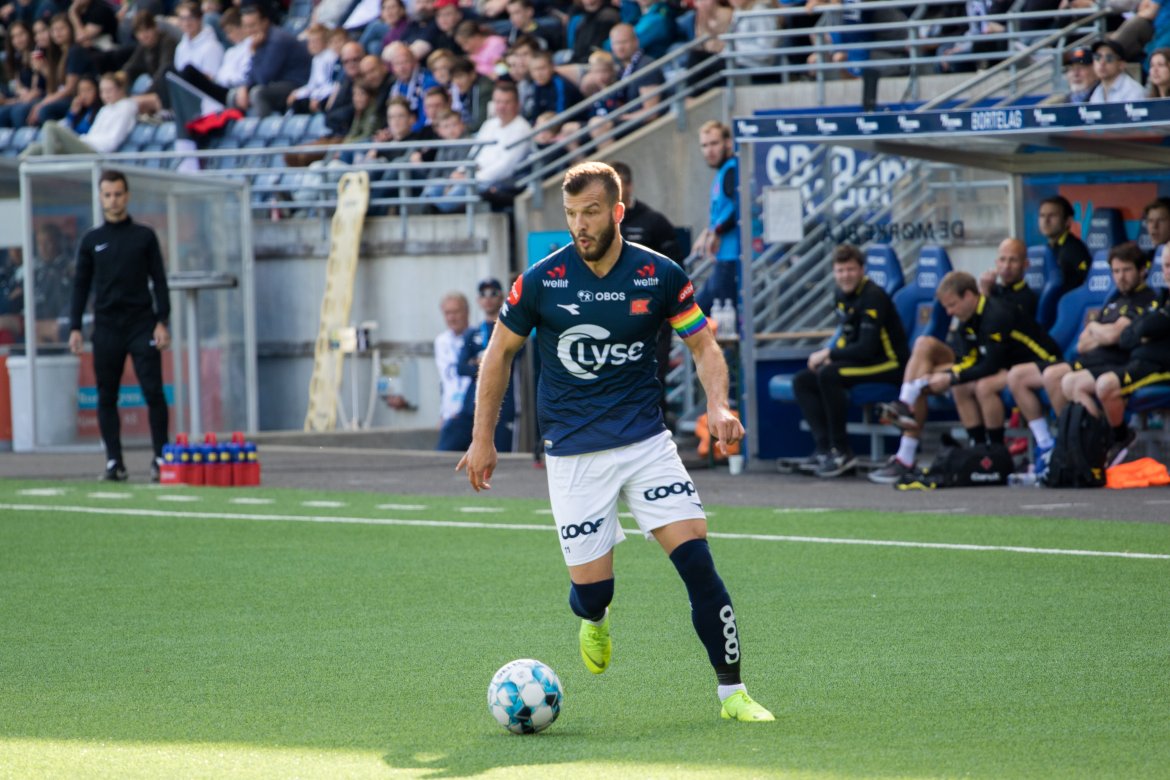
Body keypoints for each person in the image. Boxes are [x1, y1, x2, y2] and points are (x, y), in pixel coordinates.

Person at [457, 161, 774, 723]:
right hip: (575, 454)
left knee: (698, 563)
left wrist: (718, 404)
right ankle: (594, 618)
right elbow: (498, 354)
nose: (580, 225)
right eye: (572, 214)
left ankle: (734, 694)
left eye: (592, 212)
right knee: (594, 593)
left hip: (646, 444)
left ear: (618, 211)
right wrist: (483, 439)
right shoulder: (541, 281)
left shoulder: (660, 275)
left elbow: (703, 346)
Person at [874, 269, 1061, 481]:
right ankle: (908, 405)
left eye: (952, 305)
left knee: (981, 386)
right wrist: (937, 377)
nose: (949, 312)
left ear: (969, 296)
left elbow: (990, 364)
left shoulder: (996, 315)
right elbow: (968, 359)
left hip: (1036, 364)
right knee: (925, 345)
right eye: (945, 307)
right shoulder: (967, 319)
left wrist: (949, 377)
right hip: (1001, 366)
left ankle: (996, 453)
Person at [1008, 241, 1157, 472]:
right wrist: (1101, 332)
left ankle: (1085, 443)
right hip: (1089, 359)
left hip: (1113, 362)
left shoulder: (1146, 299)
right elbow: (1082, 342)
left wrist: (1098, 330)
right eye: (1116, 271)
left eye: (1127, 270)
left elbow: (1111, 336)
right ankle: (1053, 443)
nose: (1121, 277)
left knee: (1055, 376)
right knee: (1017, 375)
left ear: (1142, 270)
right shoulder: (1114, 299)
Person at [68, 170, 171, 482]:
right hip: (108, 328)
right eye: (107, 195)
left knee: (153, 391)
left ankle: (160, 458)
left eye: (118, 194)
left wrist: (162, 321)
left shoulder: (144, 237)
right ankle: (115, 462)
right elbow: (80, 287)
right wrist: (75, 327)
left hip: (141, 325)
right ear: (101, 198)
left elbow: (160, 282)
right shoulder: (91, 241)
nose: (113, 200)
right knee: (106, 395)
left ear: (127, 196)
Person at [793, 244, 909, 478]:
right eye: (840, 270)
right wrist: (831, 354)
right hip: (863, 362)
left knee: (829, 374)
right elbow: (848, 338)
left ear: (862, 270)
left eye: (850, 269)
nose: (845, 275)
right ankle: (825, 449)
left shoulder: (874, 296)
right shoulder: (840, 295)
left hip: (889, 364)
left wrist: (829, 354)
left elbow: (866, 348)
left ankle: (842, 451)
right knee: (803, 380)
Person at [611, 160, 681, 422]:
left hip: (653, 317)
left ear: (629, 185)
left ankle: (660, 437)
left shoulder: (654, 222)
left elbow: (676, 271)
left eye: (616, 186)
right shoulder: (603, 225)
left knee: (653, 377)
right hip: (614, 317)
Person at [1094, 251, 1170, 466]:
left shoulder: (1154, 301)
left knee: (1105, 385)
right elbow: (1128, 338)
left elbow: (1145, 327)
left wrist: (1145, 332)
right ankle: (1100, 443)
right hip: (1142, 363)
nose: (1168, 271)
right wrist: (1144, 333)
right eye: (1165, 265)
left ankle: (1120, 439)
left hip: (1162, 368)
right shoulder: (1161, 299)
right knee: (1080, 382)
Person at [447, 277, 516, 452]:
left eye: (493, 293)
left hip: (501, 406)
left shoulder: (511, 330)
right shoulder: (474, 332)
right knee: (447, 450)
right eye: (483, 294)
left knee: (501, 457)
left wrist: (480, 362)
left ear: (501, 298)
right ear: (478, 300)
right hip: (472, 407)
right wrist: (489, 364)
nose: (488, 298)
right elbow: (461, 368)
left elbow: (507, 362)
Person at [21, 71, 137, 157]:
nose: (105, 95)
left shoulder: (126, 107)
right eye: (102, 91)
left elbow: (111, 141)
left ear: (120, 90)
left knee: (50, 126)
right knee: (35, 149)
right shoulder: (105, 109)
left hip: (97, 153)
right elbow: (93, 133)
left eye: (109, 91)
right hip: (88, 144)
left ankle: (49, 168)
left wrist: (84, 141)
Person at [694, 120, 739, 317]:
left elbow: (739, 208)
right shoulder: (724, 171)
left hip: (732, 259)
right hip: (723, 259)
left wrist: (715, 231)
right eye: (704, 145)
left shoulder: (731, 169)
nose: (709, 150)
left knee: (703, 316)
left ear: (728, 143)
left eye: (714, 143)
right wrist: (709, 231)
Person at [434, 290, 472, 450]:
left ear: (466, 312)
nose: (451, 317)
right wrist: (444, 413)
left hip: (471, 412)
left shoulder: (476, 336)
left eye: (456, 312)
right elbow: (446, 381)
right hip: (451, 415)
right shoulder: (441, 341)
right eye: (447, 313)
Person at [1038, 194, 1092, 294]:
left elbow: (1088, 282)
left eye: (1052, 216)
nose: (1046, 221)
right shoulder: (1045, 249)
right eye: (1042, 215)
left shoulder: (1075, 249)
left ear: (1068, 221)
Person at [1088, 38, 1145, 103]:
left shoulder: (1132, 90)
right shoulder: (1097, 91)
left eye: (1109, 57)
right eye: (1097, 57)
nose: (1102, 62)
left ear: (1121, 64)